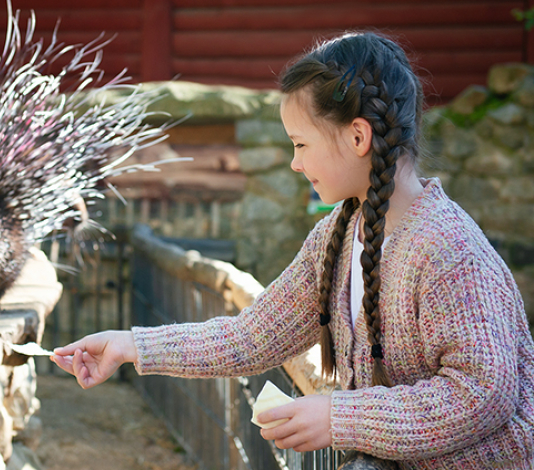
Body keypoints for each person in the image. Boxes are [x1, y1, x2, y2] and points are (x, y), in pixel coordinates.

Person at [51, 32, 534, 469]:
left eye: (301, 144)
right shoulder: (337, 235)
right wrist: (131, 346)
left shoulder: (447, 249)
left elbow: (482, 394)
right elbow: (250, 337)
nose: (295, 163)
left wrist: (339, 416)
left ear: (358, 136)